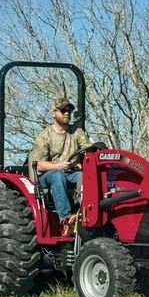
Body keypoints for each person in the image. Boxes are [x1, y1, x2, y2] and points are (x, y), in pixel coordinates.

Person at [29, 96, 91, 227]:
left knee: (87, 177)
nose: (67, 113)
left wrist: (83, 162)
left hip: (71, 173)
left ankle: (87, 213)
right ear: (54, 113)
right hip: (48, 176)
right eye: (63, 110)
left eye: (69, 111)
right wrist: (58, 166)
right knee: (58, 175)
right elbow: (38, 165)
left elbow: (88, 150)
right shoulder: (45, 136)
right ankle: (65, 218)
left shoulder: (77, 133)